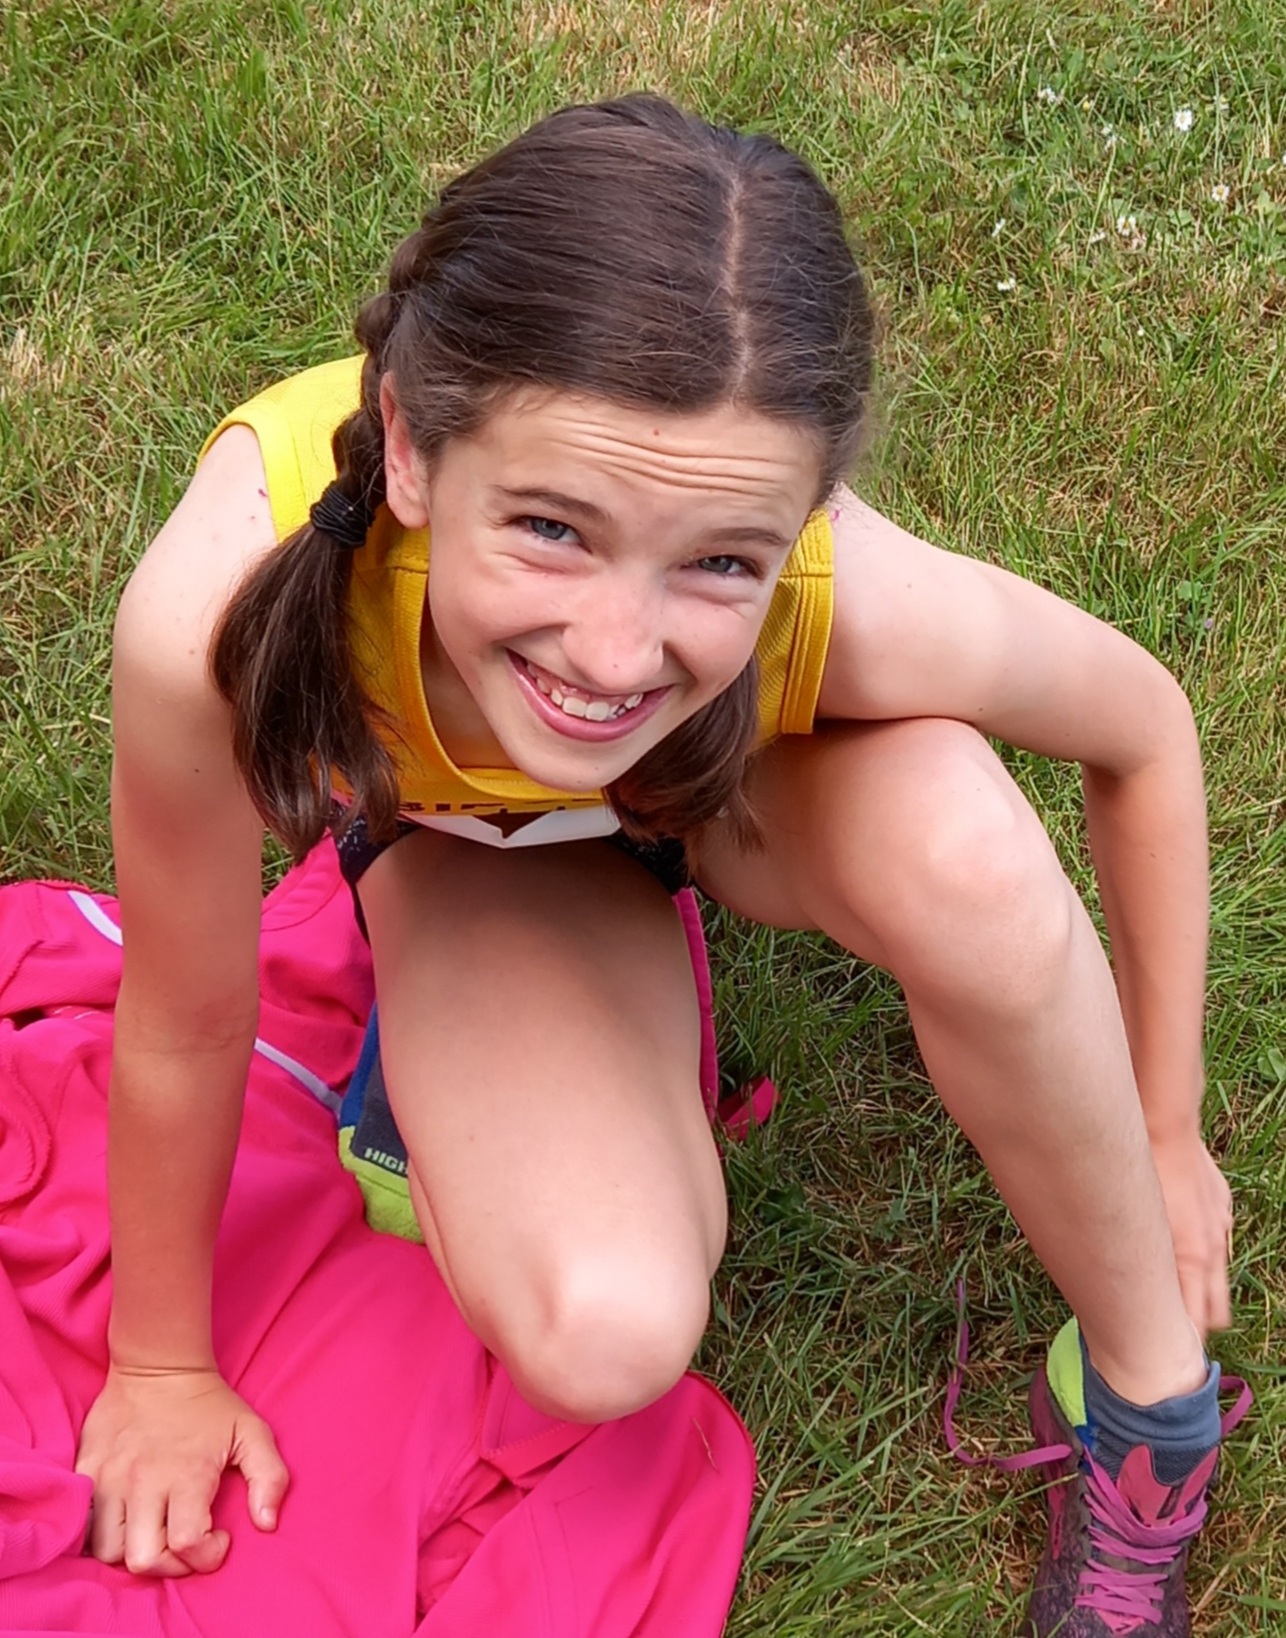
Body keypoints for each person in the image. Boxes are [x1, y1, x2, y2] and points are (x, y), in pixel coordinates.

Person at [76, 93, 1237, 1635]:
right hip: (465, 845)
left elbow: (1143, 731)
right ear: (410, 447)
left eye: (719, 560)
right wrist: (160, 1362)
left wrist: (1161, 1128)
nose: (615, 651)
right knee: (605, 1327)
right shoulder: (221, 606)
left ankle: (1149, 1402)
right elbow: (183, 1017)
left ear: (800, 520)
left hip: (724, 783)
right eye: (553, 529)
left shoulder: (842, 599)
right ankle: (501, 976)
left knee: (969, 850)